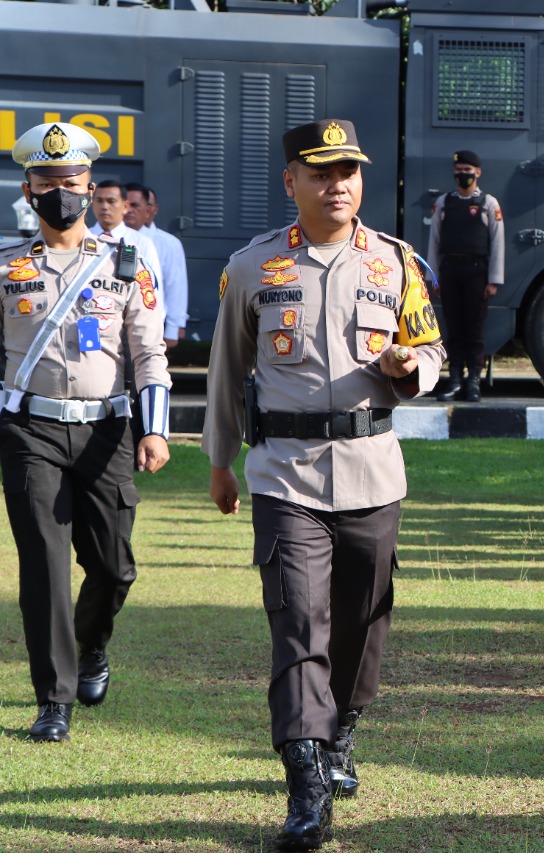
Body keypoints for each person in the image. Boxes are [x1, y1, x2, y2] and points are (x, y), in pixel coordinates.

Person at [202, 119, 444, 849]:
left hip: (374, 469)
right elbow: (225, 369)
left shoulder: (395, 263)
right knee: (298, 621)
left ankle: (341, 731)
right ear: (292, 183)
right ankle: (306, 785)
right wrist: (219, 460)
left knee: (363, 620)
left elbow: (431, 346)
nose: (338, 184)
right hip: (286, 474)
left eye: (349, 171)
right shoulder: (253, 267)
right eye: (321, 172)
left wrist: (414, 369)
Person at [0, 122, 171, 742]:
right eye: (46, 182)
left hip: (108, 432)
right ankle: (54, 700)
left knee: (112, 565)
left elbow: (149, 354)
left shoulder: (126, 264)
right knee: (43, 565)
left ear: (89, 186)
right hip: (30, 431)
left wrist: (154, 431)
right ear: (29, 188)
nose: (60, 192)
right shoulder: (8, 267)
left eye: (70, 182)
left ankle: (93, 645)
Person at [427, 150, 503, 402]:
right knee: (454, 329)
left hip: (476, 273)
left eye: (467, 171)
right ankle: (455, 380)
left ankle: (474, 383)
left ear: (478, 173)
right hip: (450, 272)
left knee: (474, 330)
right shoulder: (444, 202)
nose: (463, 175)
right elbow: (434, 241)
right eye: (458, 171)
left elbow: (497, 243)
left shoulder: (488, 204)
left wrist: (493, 279)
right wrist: (434, 278)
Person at [125, 183, 189, 348]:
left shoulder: (166, 243)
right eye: (126, 204)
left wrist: (173, 328)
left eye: (135, 205)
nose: (129, 210)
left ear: (149, 209)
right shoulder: (103, 238)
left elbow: (175, 287)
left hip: (150, 323)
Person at [89, 180, 163, 297]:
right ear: (92, 203)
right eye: (99, 201)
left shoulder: (142, 243)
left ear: (125, 206)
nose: (104, 207)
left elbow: (152, 292)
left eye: (111, 201)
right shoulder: (82, 237)